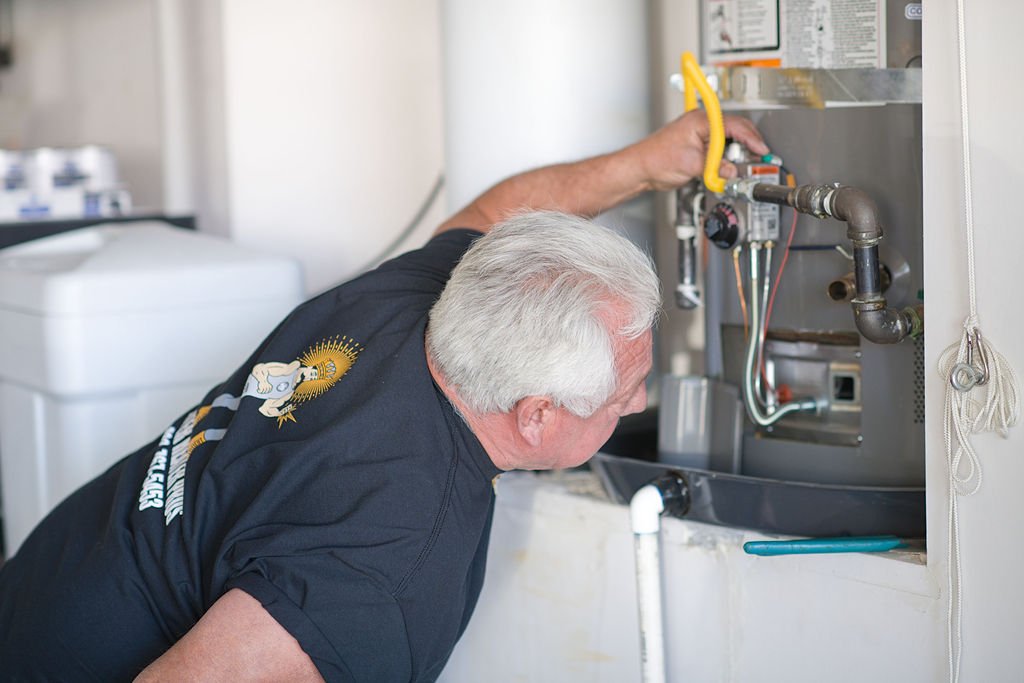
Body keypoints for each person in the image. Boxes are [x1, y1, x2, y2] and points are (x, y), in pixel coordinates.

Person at [0, 109, 767, 681]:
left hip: (52, 572)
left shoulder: (432, 297)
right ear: (536, 415)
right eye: (623, 394)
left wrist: (646, 162)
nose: (635, 405)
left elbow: (503, 218)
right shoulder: (387, 567)